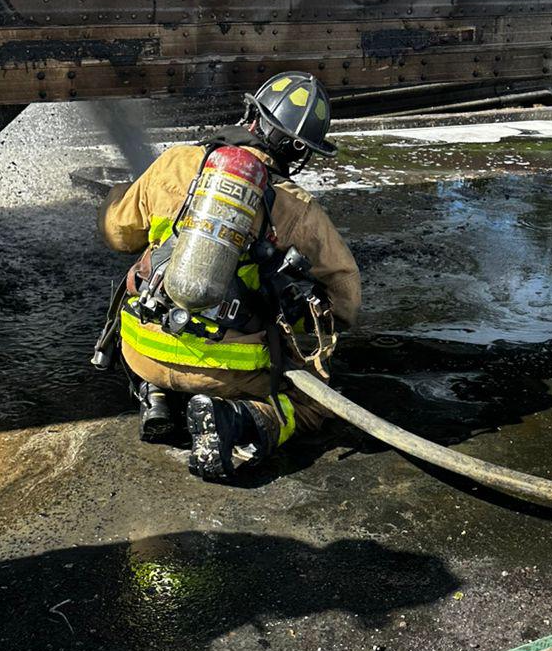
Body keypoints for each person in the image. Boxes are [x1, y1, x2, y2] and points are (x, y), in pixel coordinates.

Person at [97, 72, 361, 479]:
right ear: (301, 152)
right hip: (225, 375)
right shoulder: (297, 207)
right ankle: (237, 420)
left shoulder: (175, 162)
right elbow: (346, 301)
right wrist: (298, 316)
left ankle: (156, 396)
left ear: (252, 116)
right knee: (317, 403)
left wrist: (120, 194)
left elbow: (118, 235)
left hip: (140, 350)